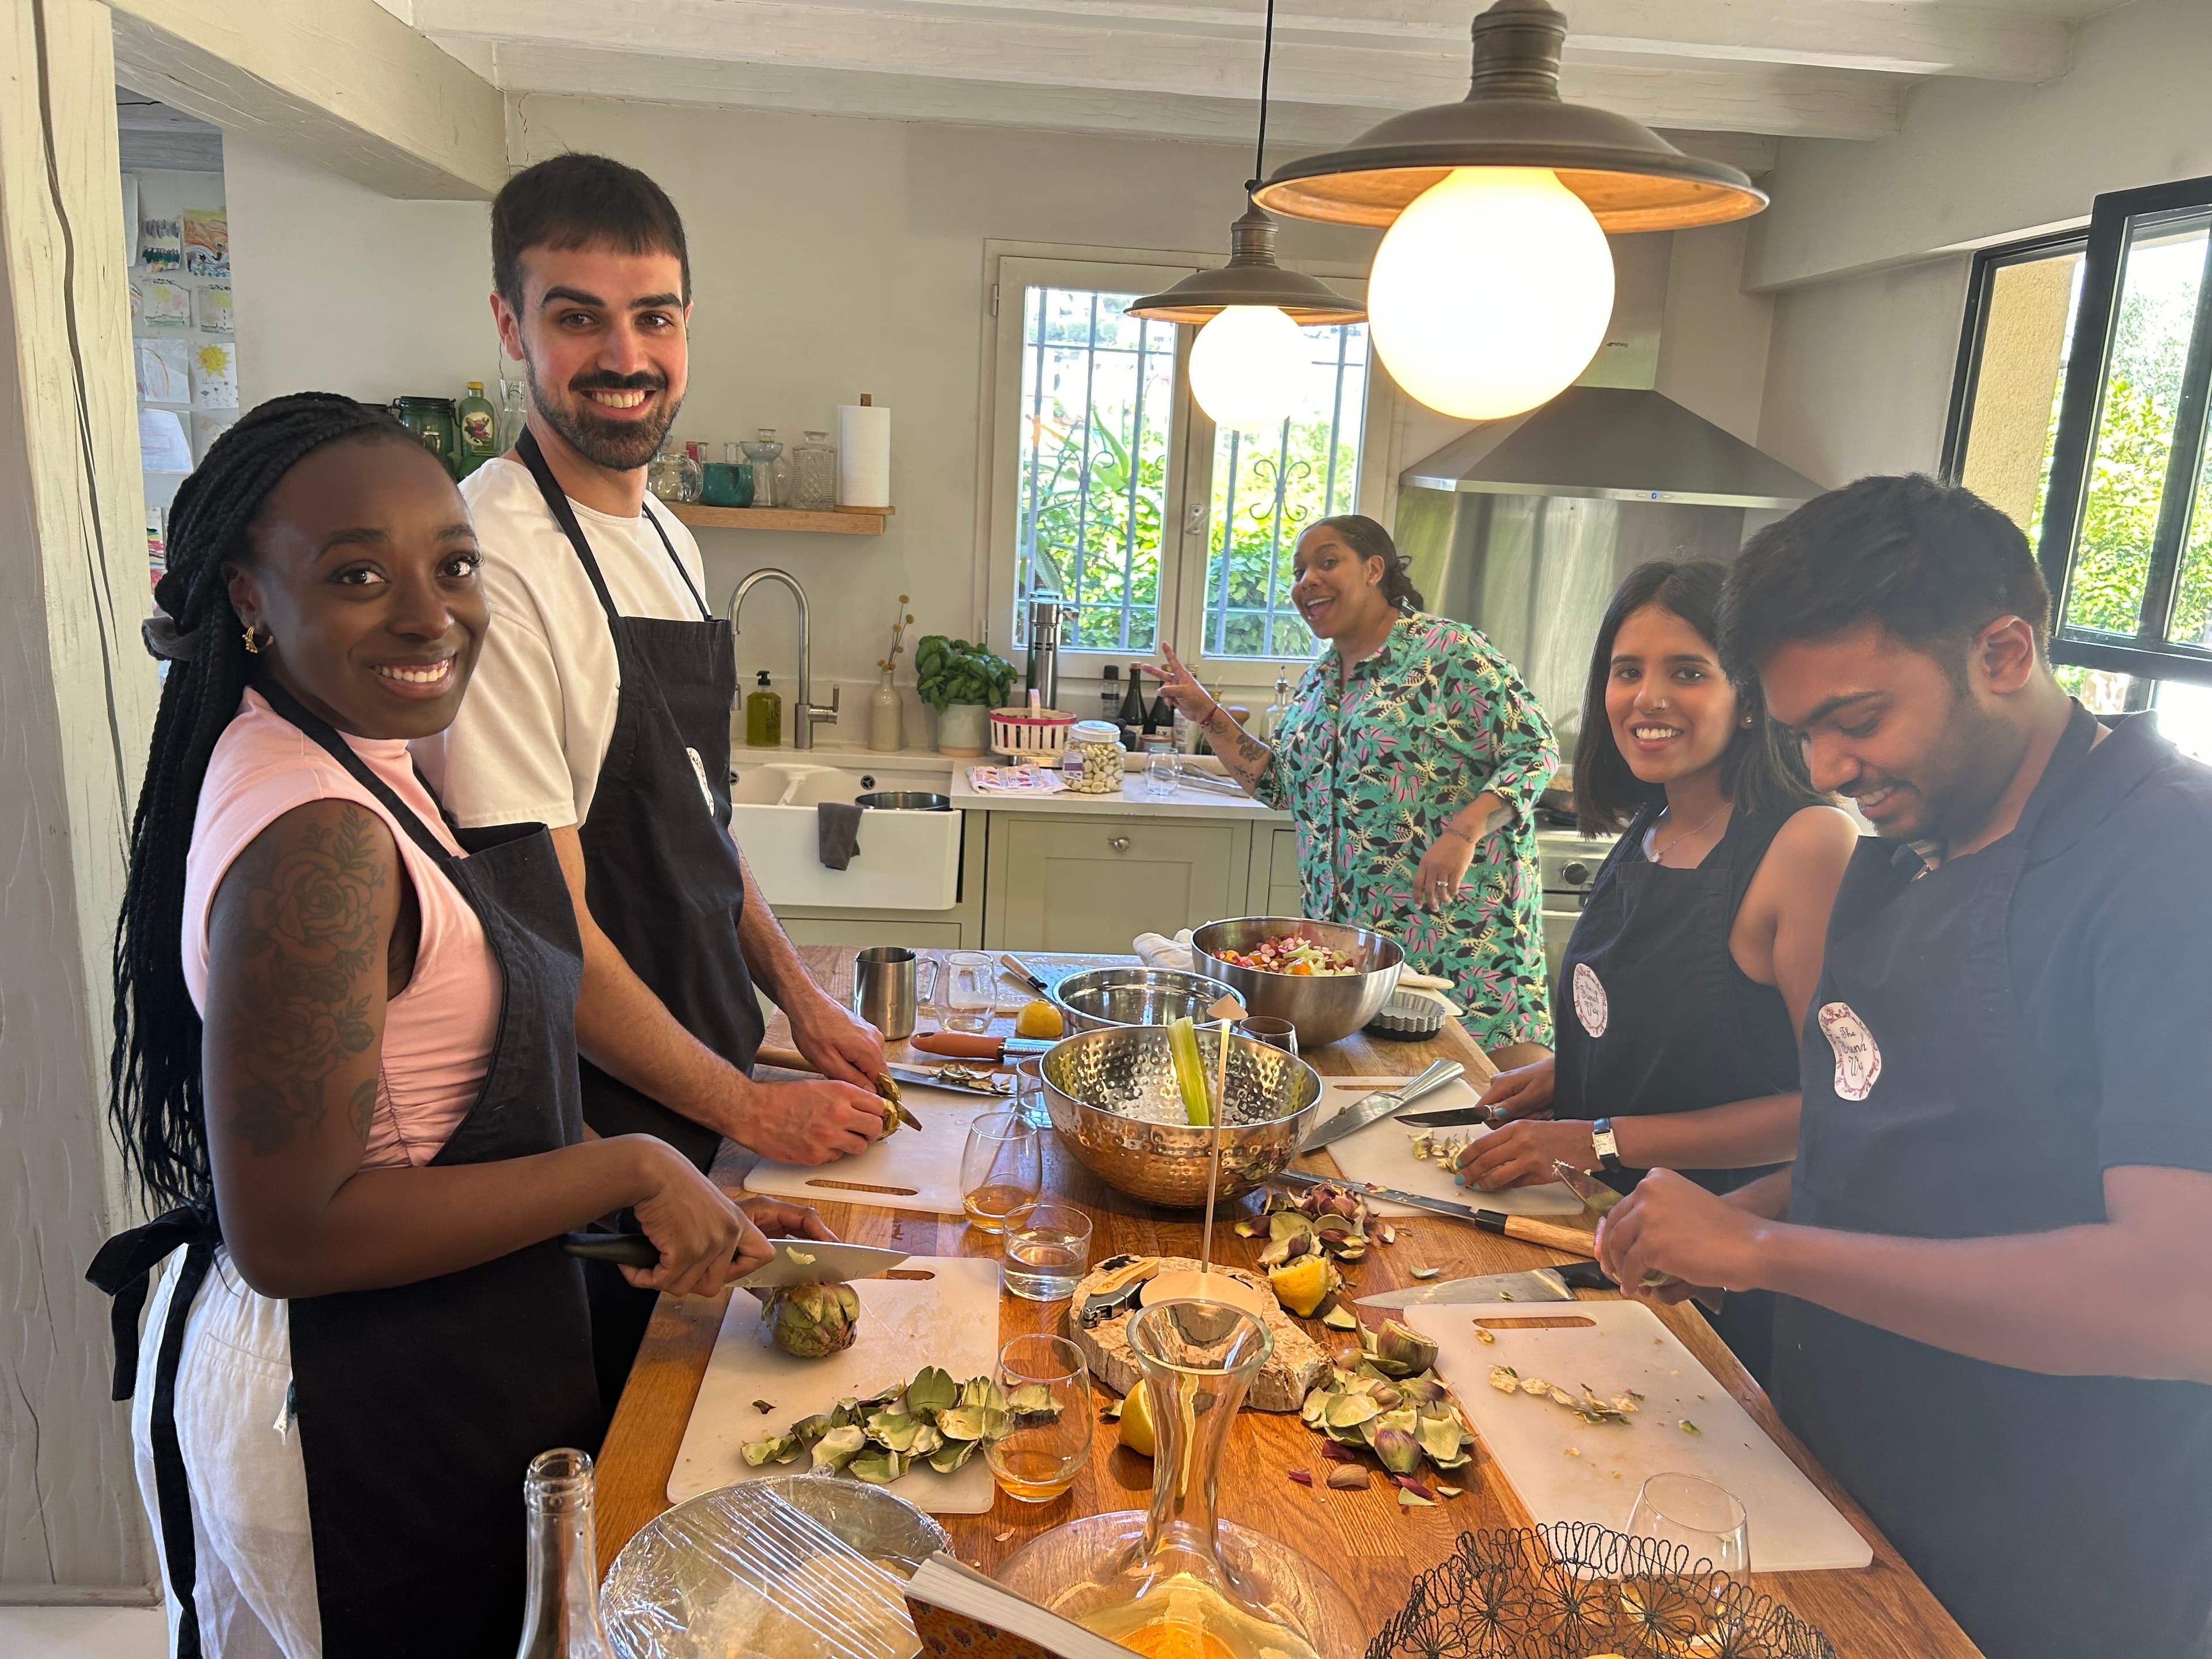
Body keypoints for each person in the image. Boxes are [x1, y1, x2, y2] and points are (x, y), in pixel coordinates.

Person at [86, 395, 832, 1657]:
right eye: (358, 575)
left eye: (454, 566)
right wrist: (630, 1162)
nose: (431, 615)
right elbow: (291, 1229)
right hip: (344, 1406)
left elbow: (437, 1114)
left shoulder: (364, 760)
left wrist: (675, 1197)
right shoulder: (318, 837)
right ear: (250, 596)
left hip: (431, 1358)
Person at [1594, 476, 2212, 1659]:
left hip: (2030, 1570)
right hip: (1837, 1494)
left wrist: (1762, 1250)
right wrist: (1734, 1219)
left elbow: (2181, 1296)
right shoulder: (1915, 842)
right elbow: (1908, 1151)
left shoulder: (2170, 860)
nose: (1828, 766)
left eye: (1859, 719)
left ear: (2002, 653)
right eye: (1802, 732)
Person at [421, 154, 886, 1396]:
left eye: (656, 317)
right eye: (579, 317)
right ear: (511, 326)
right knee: (638, 1460)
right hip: (603, 1145)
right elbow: (545, 938)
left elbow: (698, 822)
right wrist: (751, 1109)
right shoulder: (495, 560)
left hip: (706, 1097)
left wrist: (800, 1004)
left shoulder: (669, 535)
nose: (625, 356)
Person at [1452, 561, 1855, 1379]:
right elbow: (1693, 1035)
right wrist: (1575, 1074)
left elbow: (1828, 1109)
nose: (1648, 698)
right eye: (1627, 671)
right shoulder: (1653, 823)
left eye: (1688, 673)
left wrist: (1596, 1137)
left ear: (1750, 696)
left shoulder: (1809, 843)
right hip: (1603, 1233)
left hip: (1713, 1275)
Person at [1151, 514, 1556, 1059]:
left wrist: (1463, 832)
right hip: (1357, 965)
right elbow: (1281, 787)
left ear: (1373, 569)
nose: (1307, 582)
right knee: (1387, 1098)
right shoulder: (1320, 681)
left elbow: (1535, 750)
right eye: (1298, 572)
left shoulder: (1448, 651)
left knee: (1487, 1091)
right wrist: (1207, 714)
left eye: (1327, 562)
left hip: (1462, 943)